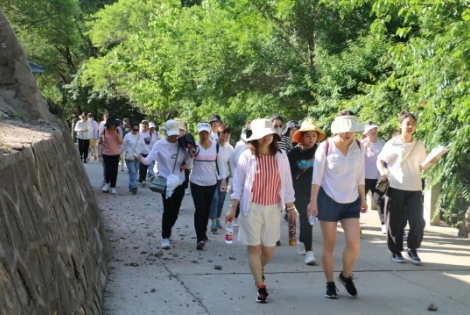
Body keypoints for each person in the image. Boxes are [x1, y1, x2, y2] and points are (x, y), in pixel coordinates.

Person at [227, 118, 295, 304]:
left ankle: (258, 268)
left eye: (269, 134)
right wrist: (233, 208)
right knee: (254, 248)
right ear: (255, 137)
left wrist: (290, 207)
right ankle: (260, 286)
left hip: (273, 209)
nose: (266, 138)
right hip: (251, 209)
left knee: (268, 251)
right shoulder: (246, 156)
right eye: (262, 135)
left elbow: (287, 183)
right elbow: (238, 184)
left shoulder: (281, 156)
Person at [307, 110, 367, 299]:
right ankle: (330, 283)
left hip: (351, 200)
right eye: (344, 130)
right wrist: (313, 202)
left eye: (352, 130)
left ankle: (345, 276)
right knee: (330, 245)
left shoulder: (359, 146)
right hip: (329, 199)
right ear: (337, 129)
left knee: (354, 244)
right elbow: (316, 178)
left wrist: (363, 198)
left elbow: (360, 175)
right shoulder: (325, 147)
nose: (348, 134)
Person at [377, 110, 437, 265]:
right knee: (395, 222)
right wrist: (384, 172)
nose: (410, 126)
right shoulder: (392, 143)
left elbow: (422, 166)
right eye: (407, 123)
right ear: (401, 125)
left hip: (415, 188)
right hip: (396, 186)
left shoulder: (419, 144)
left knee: (417, 220)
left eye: (413, 124)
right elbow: (380, 160)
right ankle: (396, 251)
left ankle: (413, 249)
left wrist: (433, 160)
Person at [137, 120, 194, 249]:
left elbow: (188, 165)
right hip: (166, 182)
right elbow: (147, 161)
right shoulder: (159, 144)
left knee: (175, 211)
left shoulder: (182, 144)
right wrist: (139, 157)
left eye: (176, 133)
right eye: (171, 134)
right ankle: (165, 237)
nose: (174, 136)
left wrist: (190, 156)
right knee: (168, 210)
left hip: (179, 181)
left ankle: (169, 228)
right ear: (165, 132)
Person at [288, 118, 326, 265]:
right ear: (301, 136)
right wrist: (287, 199)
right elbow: (287, 175)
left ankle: (302, 240)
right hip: (298, 191)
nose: (311, 139)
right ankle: (310, 252)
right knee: (306, 218)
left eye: (314, 136)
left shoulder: (321, 150)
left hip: (316, 191)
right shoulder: (293, 153)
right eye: (308, 136)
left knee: (310, 221)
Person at [190, 122, 227, 250]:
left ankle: (204, 232)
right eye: (201, 133)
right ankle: (199, 237)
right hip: (196, 182)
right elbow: (188, 164)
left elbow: (221, 164)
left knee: (206, 210)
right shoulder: (194, 145)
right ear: (199, 133)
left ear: (209, 132)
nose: (204, 135)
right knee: (199, 209)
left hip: (211, 183)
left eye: (206, 132)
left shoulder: (216, 146)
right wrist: (191, 155)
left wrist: (223, 179)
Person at [361, 122, 387, 234]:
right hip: (363, 179)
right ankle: (355, 225)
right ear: (365, 132)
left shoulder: (382, 143)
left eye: (375, 129)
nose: (374, 131)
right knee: (358, 202)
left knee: (380, 200)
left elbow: (387, 159)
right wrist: (362, 149)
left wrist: (385, 174)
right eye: (371, 129)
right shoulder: (361, 144)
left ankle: (384, 224)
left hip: (378, 178)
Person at [209, 125, 234, 232]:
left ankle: (218, 218)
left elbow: (233, 166)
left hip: (224, 179)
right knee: (214, 199)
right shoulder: (212, 145)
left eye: (226, 137)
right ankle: (213, 222)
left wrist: (233, 181)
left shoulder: (230, 148)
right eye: (222, 137)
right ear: (218, 135)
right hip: (211, 177)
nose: (224, 139)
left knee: (221, 200)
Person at [232, 123, 251, 227]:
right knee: (239, 197)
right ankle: (236, 218)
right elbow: (236, 161)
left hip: (250, 179)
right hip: (240, 176)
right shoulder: (240, 145)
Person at [98, 116, 123, 195]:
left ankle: (113, 187)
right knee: (107, 169)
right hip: (106, 153)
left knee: (114, 171)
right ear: (108, 124)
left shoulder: (118, 131)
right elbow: (100, 142)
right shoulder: (104, 131)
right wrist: (99, 154)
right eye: (111, 124)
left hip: (115, 153)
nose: (112, 126)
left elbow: (121, 142)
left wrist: (117, 135)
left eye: (114, 124)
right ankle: (106, 183)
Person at [121, 122, 143, 194]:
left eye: (137, 129)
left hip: (137, 156)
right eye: (134, 129)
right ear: (131, 129)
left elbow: (144, 145)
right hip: (130, 156)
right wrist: (119, 154)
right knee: (132, 171)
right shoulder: (127, 136)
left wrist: (149, 153)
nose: (136, 131)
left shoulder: (140, 136)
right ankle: (134, 186)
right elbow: (123, 146)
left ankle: (131, 186)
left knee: (135, 172)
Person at [138, 120, 157, 186]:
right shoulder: (139, 133)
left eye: (146, 125)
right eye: (143, 124)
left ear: (148, 126)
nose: (144, 126)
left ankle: (143, 179)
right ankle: (142, 179)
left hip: (148, 152)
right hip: (140, 152)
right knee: (142, 166)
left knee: (146, 166)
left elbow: (153, 141)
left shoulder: (150, 133)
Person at [99, 113, 109, 186]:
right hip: (104, 149)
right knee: (105, 166)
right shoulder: (103, 130)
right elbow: (101, 140)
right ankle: (105, 180)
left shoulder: (115, 130)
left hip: (112, 151)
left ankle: (110, 180)